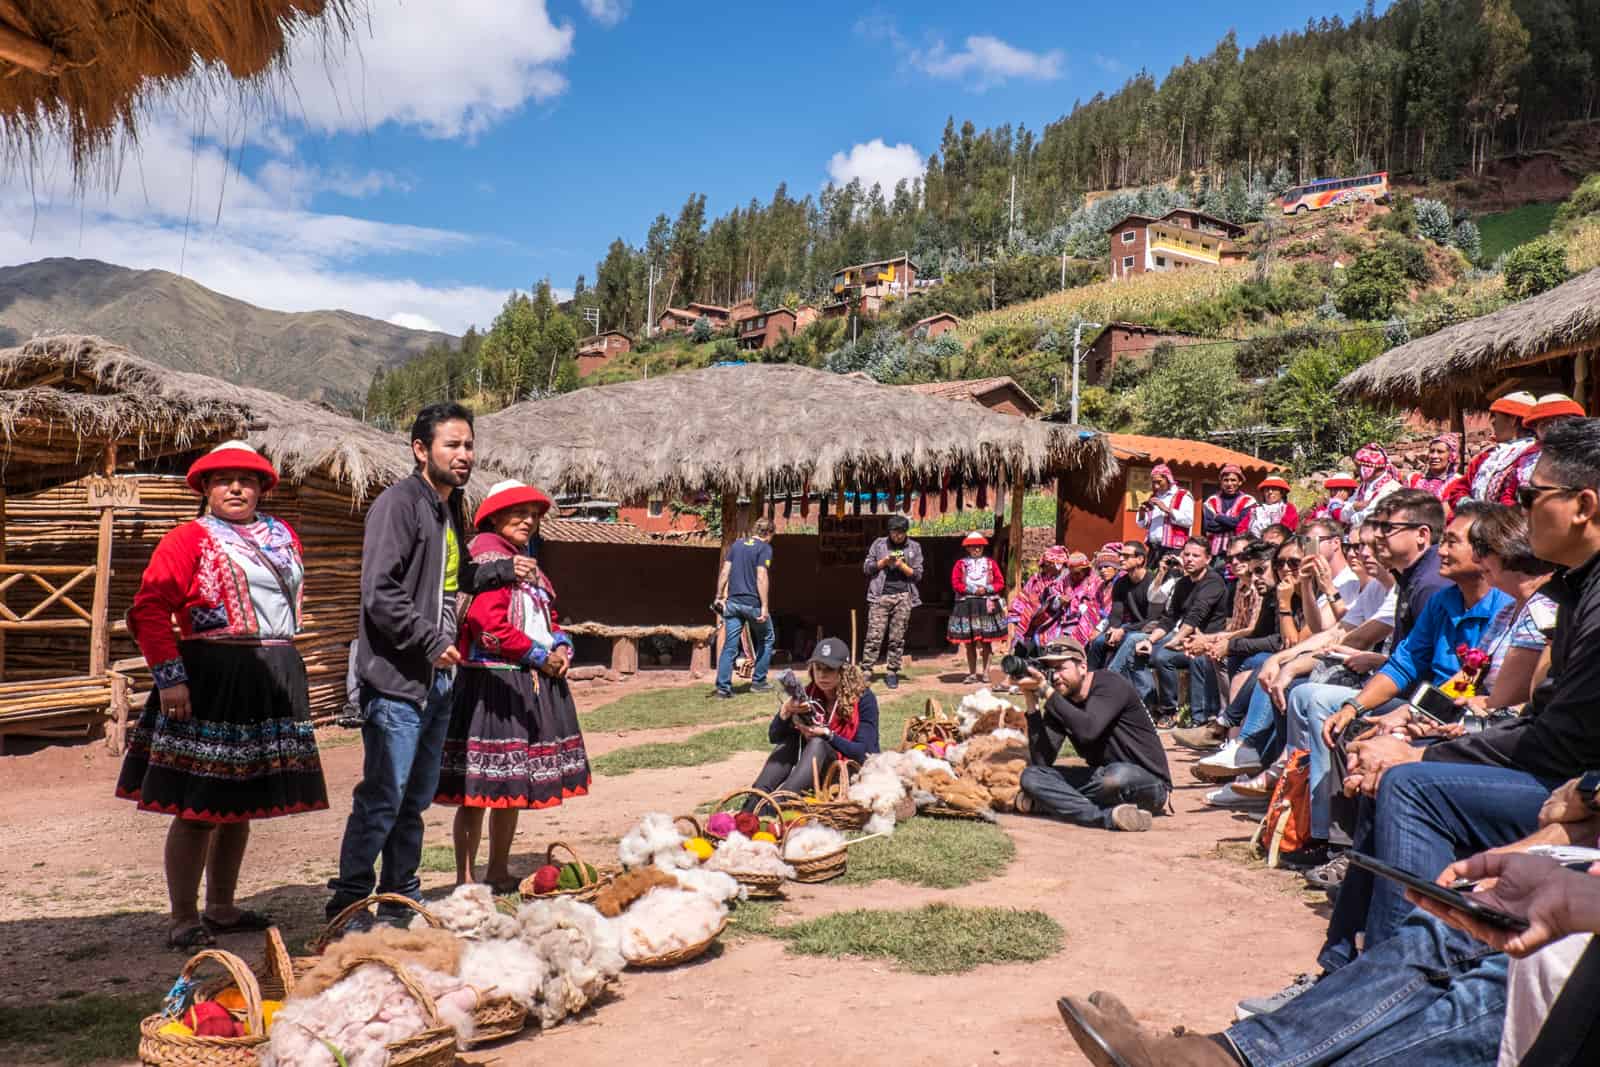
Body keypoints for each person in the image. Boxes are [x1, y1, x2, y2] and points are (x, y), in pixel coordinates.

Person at [328, 403, 533, 924]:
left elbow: (451, 582)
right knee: (383, 796)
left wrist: (501, 570)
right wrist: (425, 639)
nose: (464, 455)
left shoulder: (446, 509)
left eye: (468, 446)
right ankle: (350, 901)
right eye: (452, 445)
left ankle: (400, 896)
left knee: (414, 800)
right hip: (398, 679)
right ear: (421, 450)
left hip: (437, 681)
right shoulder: (399, 504)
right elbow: (380, 591)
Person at [118, 442, 328, 948]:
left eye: (247, 479)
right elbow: (147, 610)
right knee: (200, 802)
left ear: (262, 488)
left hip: (271, 670)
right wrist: (170, 677)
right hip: (212, 672)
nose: (236, 487)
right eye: (223, 479)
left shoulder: (283, 536)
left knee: (243, 797)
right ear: (206, 489)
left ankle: (223, 907)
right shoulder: (188, 540)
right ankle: (184, 917)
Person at [434, 480, 590, 891]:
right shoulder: (487, 558)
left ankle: (498, 870)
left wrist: (561, 644)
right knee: (478, 788)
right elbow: (490, 629)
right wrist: (541, 657)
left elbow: (547, 618)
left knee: (509, 784)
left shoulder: (523, 561)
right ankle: (466, 877)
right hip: (492, 684)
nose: (528, 520)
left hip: (522, 681)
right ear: (494, 517)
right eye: (517, 512)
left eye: (533, 514)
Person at [1016, 639, 1171, 832]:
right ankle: (1106, 817)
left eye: (1061, 668)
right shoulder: (1060, 700)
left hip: (1148, 783)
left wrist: (1046, 691)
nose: (1055, 677)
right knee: (1031, 776)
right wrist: (1032, 705)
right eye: (1050, 670)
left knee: (1115, 777)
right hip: (1101, 780)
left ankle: (1050, 803)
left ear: (1082, 667)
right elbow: (1041, 761)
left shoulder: (1110, 683)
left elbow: (1088, 730)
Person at [750, 636, 879, 798]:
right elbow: (774, 737)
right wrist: (786, 710)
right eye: (818, 668)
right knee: (790, 742)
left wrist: (828, 735)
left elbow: (864, 752)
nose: (822, 675)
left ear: (844, 672)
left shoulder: (863, 698)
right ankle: (754, 801)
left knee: (819, 742)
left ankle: (779, 803)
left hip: (850, 771)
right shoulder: (809, 694)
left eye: (829, 669)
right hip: (816, 768)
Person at [1129, 539, 1230, 728]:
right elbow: (1169, 617)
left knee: (1166, 657)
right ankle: (1146, 707)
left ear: (1208, 559)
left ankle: (1196, 719)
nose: (1189, 559)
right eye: (1187, 554)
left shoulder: (1213, 582)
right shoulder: (1183, 583)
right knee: (1138, 650)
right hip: (1185, 640)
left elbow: (1195, 616)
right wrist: (1150, 640)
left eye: (1196, 555)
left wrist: (1175, 640)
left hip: (1208, 640)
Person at [714, 518, 776, 698]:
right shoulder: (764, 548)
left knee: (730, 646)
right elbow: (761, 576)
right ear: (769, 533)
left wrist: (719, 596)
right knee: (766, 639)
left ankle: (723, 688)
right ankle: (759, 681)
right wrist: (764, 606)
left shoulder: (737, 545)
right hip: (753, 603)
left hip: (732, 603)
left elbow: (725, 571)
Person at [860, 515, 924, 690]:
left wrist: (902, 565)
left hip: (903, 596)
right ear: (889, 532)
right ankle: (867, 670)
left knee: (897, 637)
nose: (898, 536)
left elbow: (918, 574)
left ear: (906, 533)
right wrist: (884, 562)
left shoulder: (914, 547)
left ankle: (892, 671)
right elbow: (867, 568)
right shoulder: (879, 545)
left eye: (901, 533)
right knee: (874, 635)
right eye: (895, 533)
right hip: (880, 596)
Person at [1500, 392, 1587, 507]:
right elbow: (1508, 495)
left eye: (1560, 422)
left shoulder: (1587, 457)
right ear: (1536, 430)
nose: (1553, 429)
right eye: (1545, 424)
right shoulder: (1526, 462)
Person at [1460, 389, 1537, 506]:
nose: (1493, 423)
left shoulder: (1531, 458)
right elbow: (1460, 488)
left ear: (1513, 420)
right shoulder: (1487, 457)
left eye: (1496, 417)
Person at [949, 531, 1007, 683]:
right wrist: (973, 590)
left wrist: (987, 589)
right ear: (968, 548)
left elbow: (1000, 582)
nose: (976, 549)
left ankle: (986, 673)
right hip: (967, 605)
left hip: (986, 605)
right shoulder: (960, 564)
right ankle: (972, 673)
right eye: (973, 547)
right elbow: (956, 583)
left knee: (987, 641)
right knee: (970, 643)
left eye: (979, 547)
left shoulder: (990, 564)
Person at [1090, 542, 1153, 670]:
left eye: (1126, 556)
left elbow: (1152, 619)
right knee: (1098, 642)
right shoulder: (1120, 583)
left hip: (1149, 629)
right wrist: (1113, 629)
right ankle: (1091, 679)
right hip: (1130, 627)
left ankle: (1112, 676)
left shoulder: (1153, 583)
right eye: (1121, 555)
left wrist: (1123, 630)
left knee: (1127, 640)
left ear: (1140, 559)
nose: (1121, 559)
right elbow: (1116, 613)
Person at [1008, 545, 1072, 657]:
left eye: (1049, 564)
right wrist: (1017, 617)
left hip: (1054, 621)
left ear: (1058, 565)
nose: (1046, 567)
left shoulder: (1067, 579)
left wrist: (1055, 602)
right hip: (1031, 621)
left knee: (1046, 650)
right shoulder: (1036, 579)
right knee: (1021, 650)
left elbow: (1068, 599)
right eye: (1046, 564)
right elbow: (1025, 597)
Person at [1134, 463, 1194, 567]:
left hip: (1173, 549)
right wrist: (1142, 513)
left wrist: (1166, 509)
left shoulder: (1183, 495)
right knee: (1152, 579)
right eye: (1154, 482)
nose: (1156, 486)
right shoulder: (1153, 497)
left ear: (1168, 479)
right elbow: (1142, 524)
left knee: (1170, 580)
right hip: (1154, 548)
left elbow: (1188, 521)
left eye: (1159, 482)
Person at [1341, 442, 1403, 526]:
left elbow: (1369, 517)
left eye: (1358, 467)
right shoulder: (1363, 487)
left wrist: (1351, 513)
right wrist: (1354, 507)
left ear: (1367, 469)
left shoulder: (1391, 489)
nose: (1356, 470)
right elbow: (1342, 512)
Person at [1202, 464, 1257, 558]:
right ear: (1221, 482)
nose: (1229, 484)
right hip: (1215, 552)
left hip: (1240, 552)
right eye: (1226, 480)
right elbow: (1209, 526)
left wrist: (1218, 517)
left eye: (1233, 480)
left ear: (1240, 482)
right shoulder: (1211, 501)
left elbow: (1243, 525)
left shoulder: (1248, 501)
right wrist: (1233, 523)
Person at [1407, 433, 1460, 503]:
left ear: (1451, 456)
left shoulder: (1458, 483)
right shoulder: (1413, 479)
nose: (1434, 456)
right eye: (1432, 451)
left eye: (1440, 452)